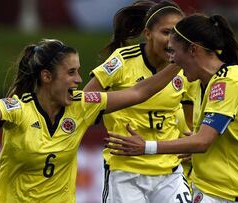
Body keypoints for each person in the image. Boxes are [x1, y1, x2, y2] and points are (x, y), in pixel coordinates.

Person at [0, 39, 180, 203]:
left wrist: (176, 64)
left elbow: (138, 93)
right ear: (47, 76)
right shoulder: (18, 109)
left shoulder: (82, 105)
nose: (78, 80)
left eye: (78, 71)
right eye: (71, 73)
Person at [105, 14, 238, 203]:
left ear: (193, 50)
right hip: (208, 192)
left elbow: (203, 141)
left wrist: (146, 147)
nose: (171, 59)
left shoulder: (230, 82)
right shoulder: (200, 83)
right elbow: (208, 138)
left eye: (173, 51)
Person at [84, 1, 196, 202]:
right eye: (166, 32)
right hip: (127, 172)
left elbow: (191, 121)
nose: (171, 42)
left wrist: (190, 142)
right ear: (148, 33)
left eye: (178, 36)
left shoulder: (185, 69)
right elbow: (85, 102)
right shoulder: (123, 61)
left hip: (169, 172)